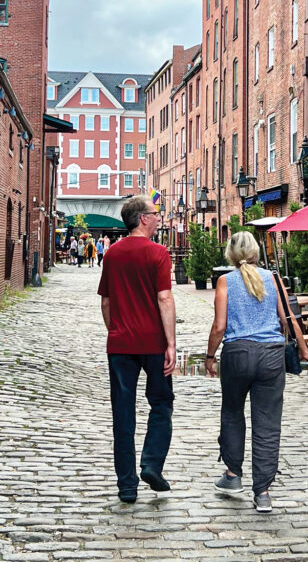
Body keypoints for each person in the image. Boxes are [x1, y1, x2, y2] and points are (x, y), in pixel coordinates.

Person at [204, 232, 308, 513]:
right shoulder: (273, 279)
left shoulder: (225, 281)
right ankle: (262, 492)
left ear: (231, 254)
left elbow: (219, 326)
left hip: (238, 354)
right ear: (256, 252)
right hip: (271, 356)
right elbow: (287, 318)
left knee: (232, 412)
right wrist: (303, 349)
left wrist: (209, 356)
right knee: (267, 423)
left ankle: (232, 475)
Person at [98, 195, 176, 503]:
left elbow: (105, 302)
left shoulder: (113, 254)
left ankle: (127, 485)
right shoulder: (158, 253)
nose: (159, 218)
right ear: (143, 218)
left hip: (120, 344)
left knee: (123, 413)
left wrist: (115, 330)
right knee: (161, 403)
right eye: (155, 214)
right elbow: (165, 299)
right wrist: (170, 343)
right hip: (153, 342)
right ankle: (152, 464)